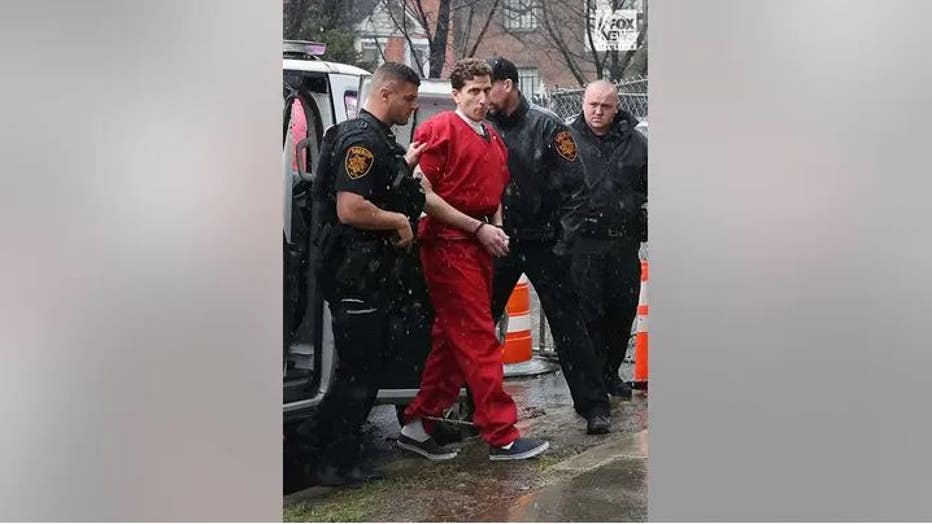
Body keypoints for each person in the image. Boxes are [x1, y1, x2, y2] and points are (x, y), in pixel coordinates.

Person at [397, 58, 550, 461]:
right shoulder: (439, 130)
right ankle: (501, 434)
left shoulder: (491, 137)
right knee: (479, 338)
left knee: (452, 341)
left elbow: (495, 187)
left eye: (486, 91)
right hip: (448, 243)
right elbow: (422, 193)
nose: (482, 99)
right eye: (473, 92)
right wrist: (478, 228)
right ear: (456, 95)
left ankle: (417, 425)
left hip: (477, 243)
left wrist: (493, 227)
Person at [294, 62, 432, 487]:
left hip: (368, 274)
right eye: (408, 99)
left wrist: (404, 169)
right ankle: (330, 461)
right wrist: (398, 221)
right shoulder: (361, 141)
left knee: (362, 372)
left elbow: (377, 188)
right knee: (357, 375)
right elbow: (350, 208)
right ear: (386, 93)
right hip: (357, 275)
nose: (413, 107)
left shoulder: (371, 139)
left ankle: (328, 454)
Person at [484, 57, 618, 432]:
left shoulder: (547, 126)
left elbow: (578, 189)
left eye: (487, 87)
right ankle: (474, 406)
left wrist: (562, 243)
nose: (482, 97)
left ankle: (594, 406)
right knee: (480, 324)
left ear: (507, 85)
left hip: (545, 241)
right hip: (500, 238)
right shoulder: (484, 126)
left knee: (569, 326)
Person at [568, 80, 647, 394]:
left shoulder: (636, 143)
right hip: (583, 243)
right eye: (593, 105)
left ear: (617, 108)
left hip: (623, 242)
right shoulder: (566, 140)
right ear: (582, 104)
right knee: (589, 315)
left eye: (606, 106)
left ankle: (610, 374)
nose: (598, 111)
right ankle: (593, 382)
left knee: (621, 311)